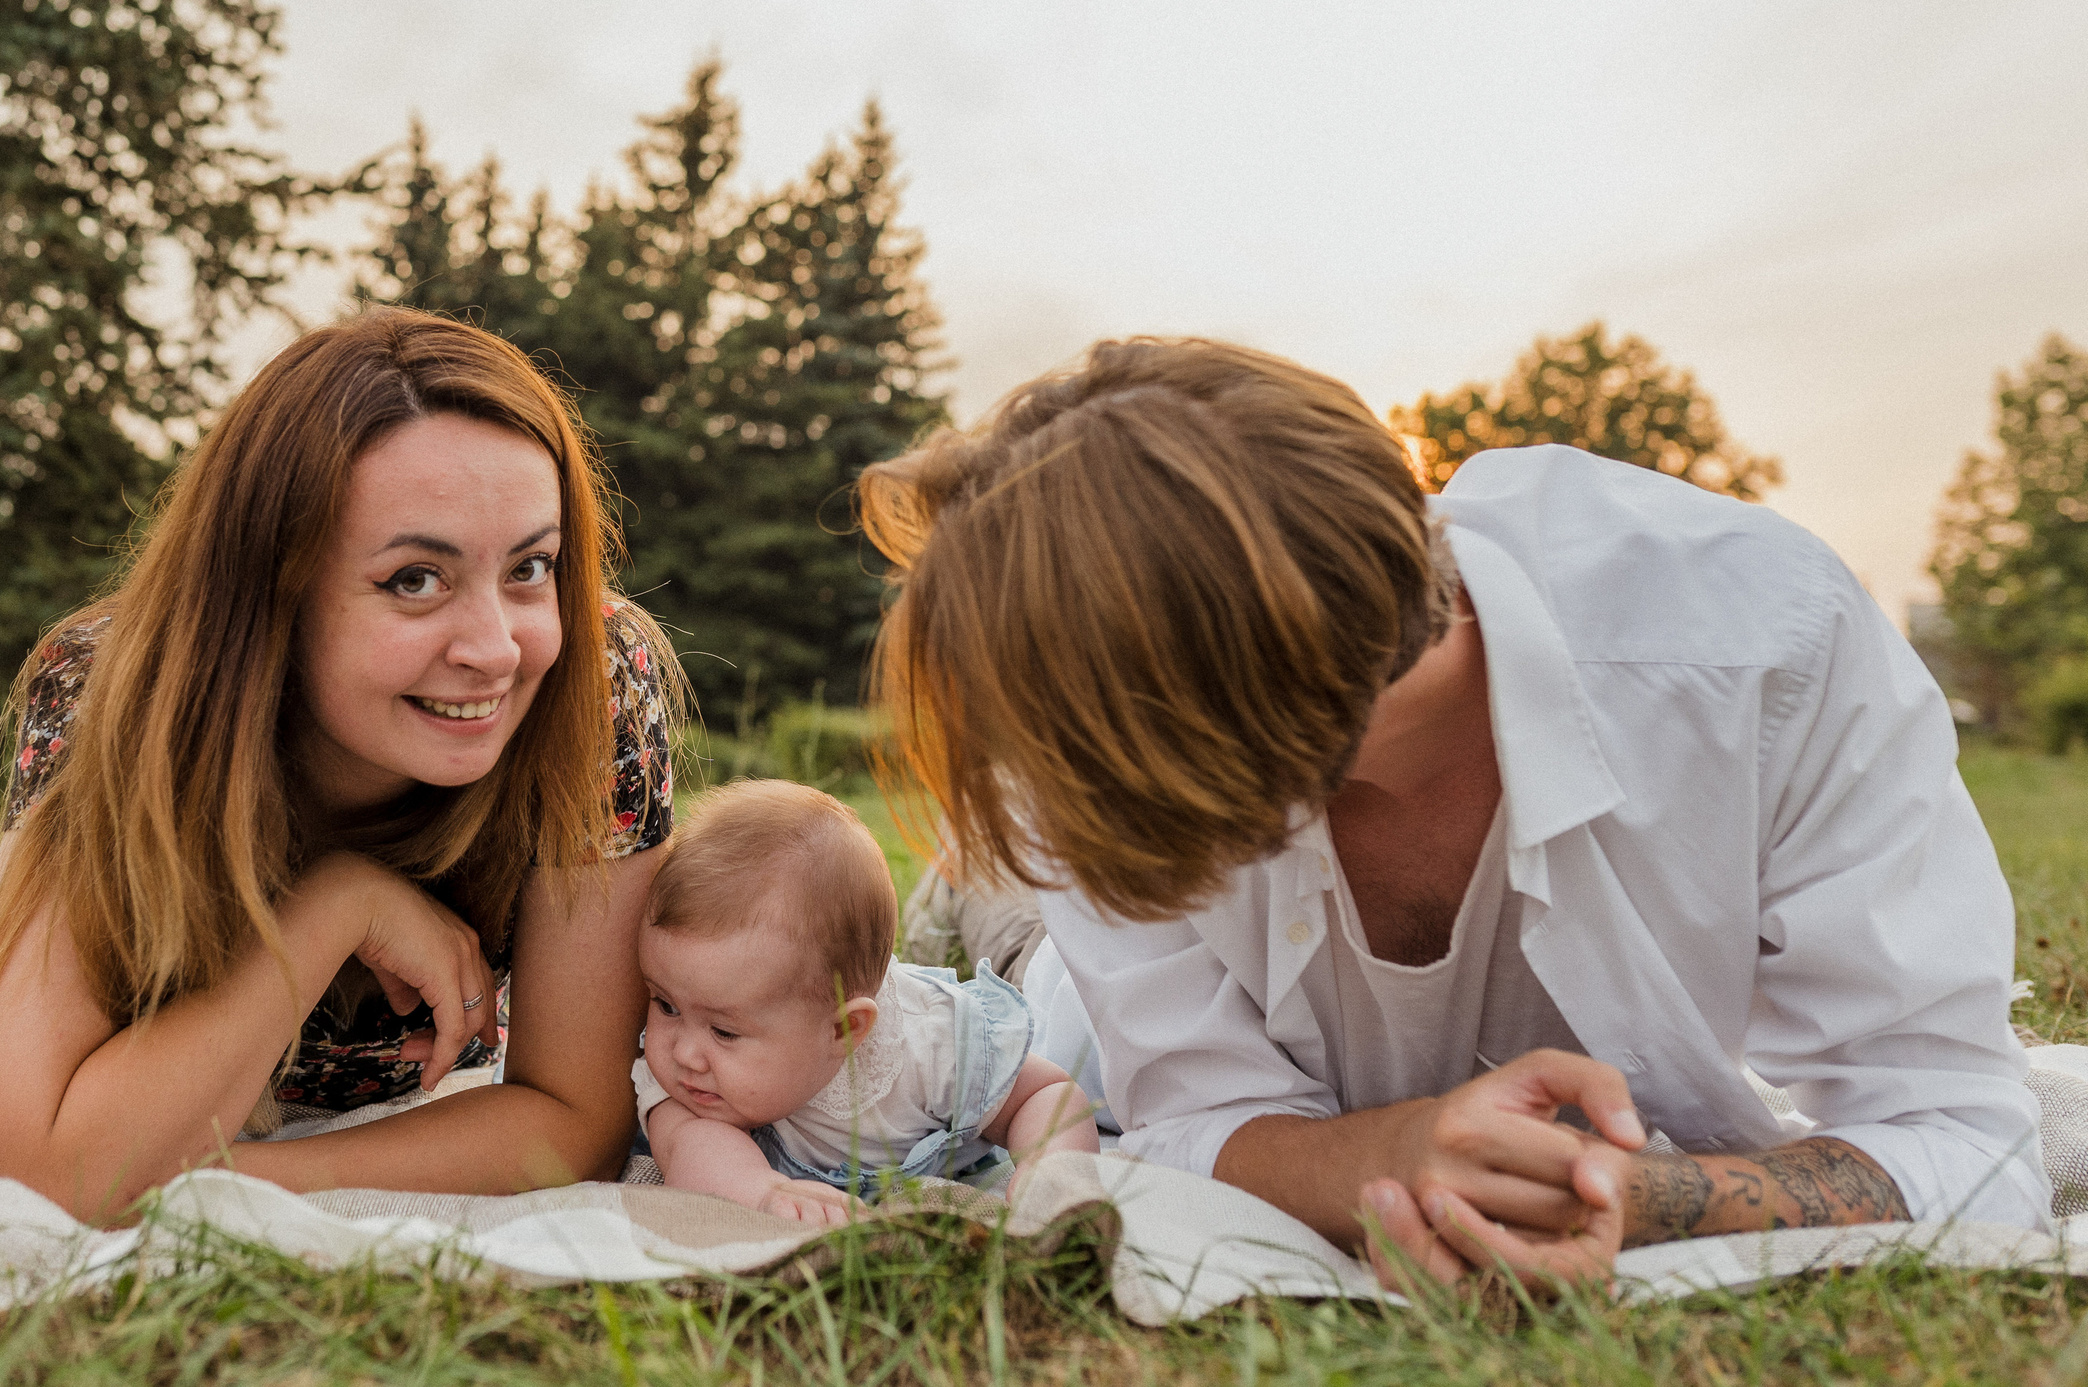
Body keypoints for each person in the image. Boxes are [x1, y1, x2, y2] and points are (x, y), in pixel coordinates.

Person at [858, 336, 2046, 1287]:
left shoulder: (1760, 655)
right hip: (1068, 992)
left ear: (1203, 737)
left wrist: (1631, 1202)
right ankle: (969, 882)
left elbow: (1965, 1142)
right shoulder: (1096, 746)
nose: (1059, 788)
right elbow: (1186, 1122)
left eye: (1069, 775)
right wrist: (1398, 1154)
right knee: (1013, 933)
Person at [0, 309, 680, 1222]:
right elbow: (37, 1176)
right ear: (274, 589)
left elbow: (573, 1120)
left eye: (530, 566)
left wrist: (230, 1185)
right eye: (415, 579)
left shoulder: (592, 683)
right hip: (106, 1072)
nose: (497, 648)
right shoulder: (112, 691)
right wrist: (334, 908)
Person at [633, 780, 1097, 1224]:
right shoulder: (689, 1093)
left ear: (843, 1029)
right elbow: (691, 1151)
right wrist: (762, 1190)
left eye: (723, 1031)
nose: (684, 1053)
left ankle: (948, 888)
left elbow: (1046, 1093)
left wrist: (1051, 1169)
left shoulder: (927, 1044)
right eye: (666, 1005)